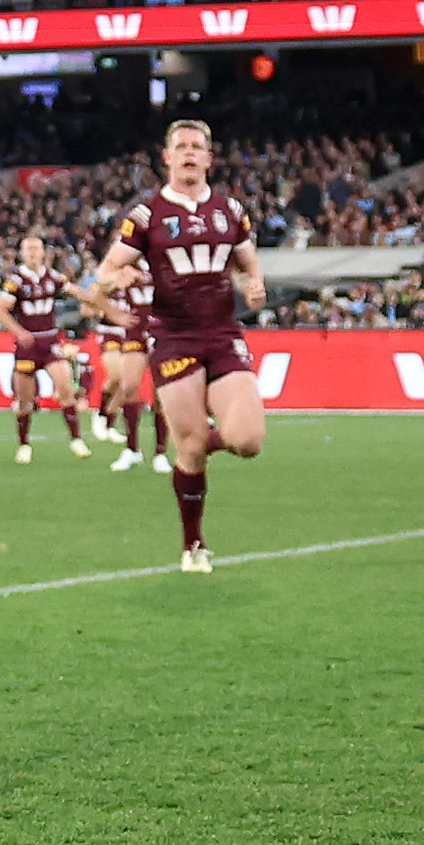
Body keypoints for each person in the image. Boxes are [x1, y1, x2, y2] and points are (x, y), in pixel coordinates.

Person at [97, 119, 265, 573]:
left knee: (247, 441)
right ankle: (193, 543)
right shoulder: (147, 214)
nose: (189, 153)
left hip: (223, 334)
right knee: (190, 447)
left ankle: (190, 443)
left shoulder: (231, 210)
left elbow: (249, 261)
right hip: (173, 337)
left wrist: (255, 285)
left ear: (209, 158)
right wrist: (121, 276)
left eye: (197, 147)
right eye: (181, 146)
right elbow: (104, 272)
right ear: (166, 157)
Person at [0, 231, 90, 463]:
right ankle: (24, 443)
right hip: (28, 345)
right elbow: (0, 311)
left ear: (43, 253)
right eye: (28, 250)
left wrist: (93, 298)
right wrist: (19, 332)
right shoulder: (16, 281)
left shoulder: (52, 276)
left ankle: (76, 439)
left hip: (49, 341)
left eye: (36, 249)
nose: (33, 254)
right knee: (26, 400)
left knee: (66, 389)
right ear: (22, 254)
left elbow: (73, 290)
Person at [91, 257, 166, 474]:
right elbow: (99, 292)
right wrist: (115, 313)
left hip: (163, 332)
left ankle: (160, 452)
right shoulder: (126, 266)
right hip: (135, 332)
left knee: (160, 393)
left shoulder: (165, 261)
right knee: (129, 387)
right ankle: (132, 449)